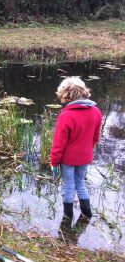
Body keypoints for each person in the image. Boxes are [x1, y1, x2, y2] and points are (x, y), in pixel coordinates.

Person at [50, 77, 102, 222]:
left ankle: (67, 218)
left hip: (68, 159)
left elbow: (58, 144)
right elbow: (95, 138)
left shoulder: (66, 115)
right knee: (80, 183)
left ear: (65, 94)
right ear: (83, 92)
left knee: (68, 185)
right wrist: (87, 151)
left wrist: (54, 162)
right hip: (85, 157)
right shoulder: (96, 112)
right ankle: (87, 214)